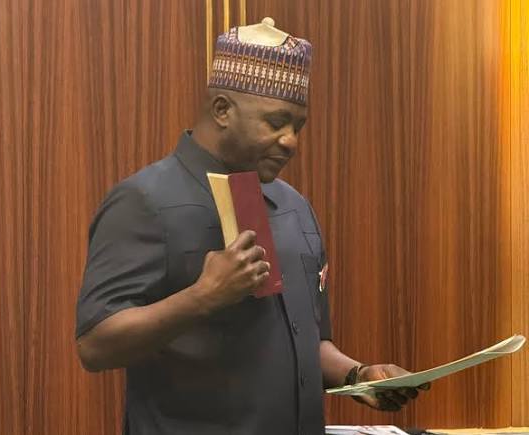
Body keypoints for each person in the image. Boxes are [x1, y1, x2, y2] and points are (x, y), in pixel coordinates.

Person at [75, 18, 427, 435]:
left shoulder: (293, 207)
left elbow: (304, 343)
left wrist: (359, 376)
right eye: (275, 123)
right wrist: (202, 297)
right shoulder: (144, 201)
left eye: (298, 127)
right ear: (222, 109)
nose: (291, 141)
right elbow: (94, 345)